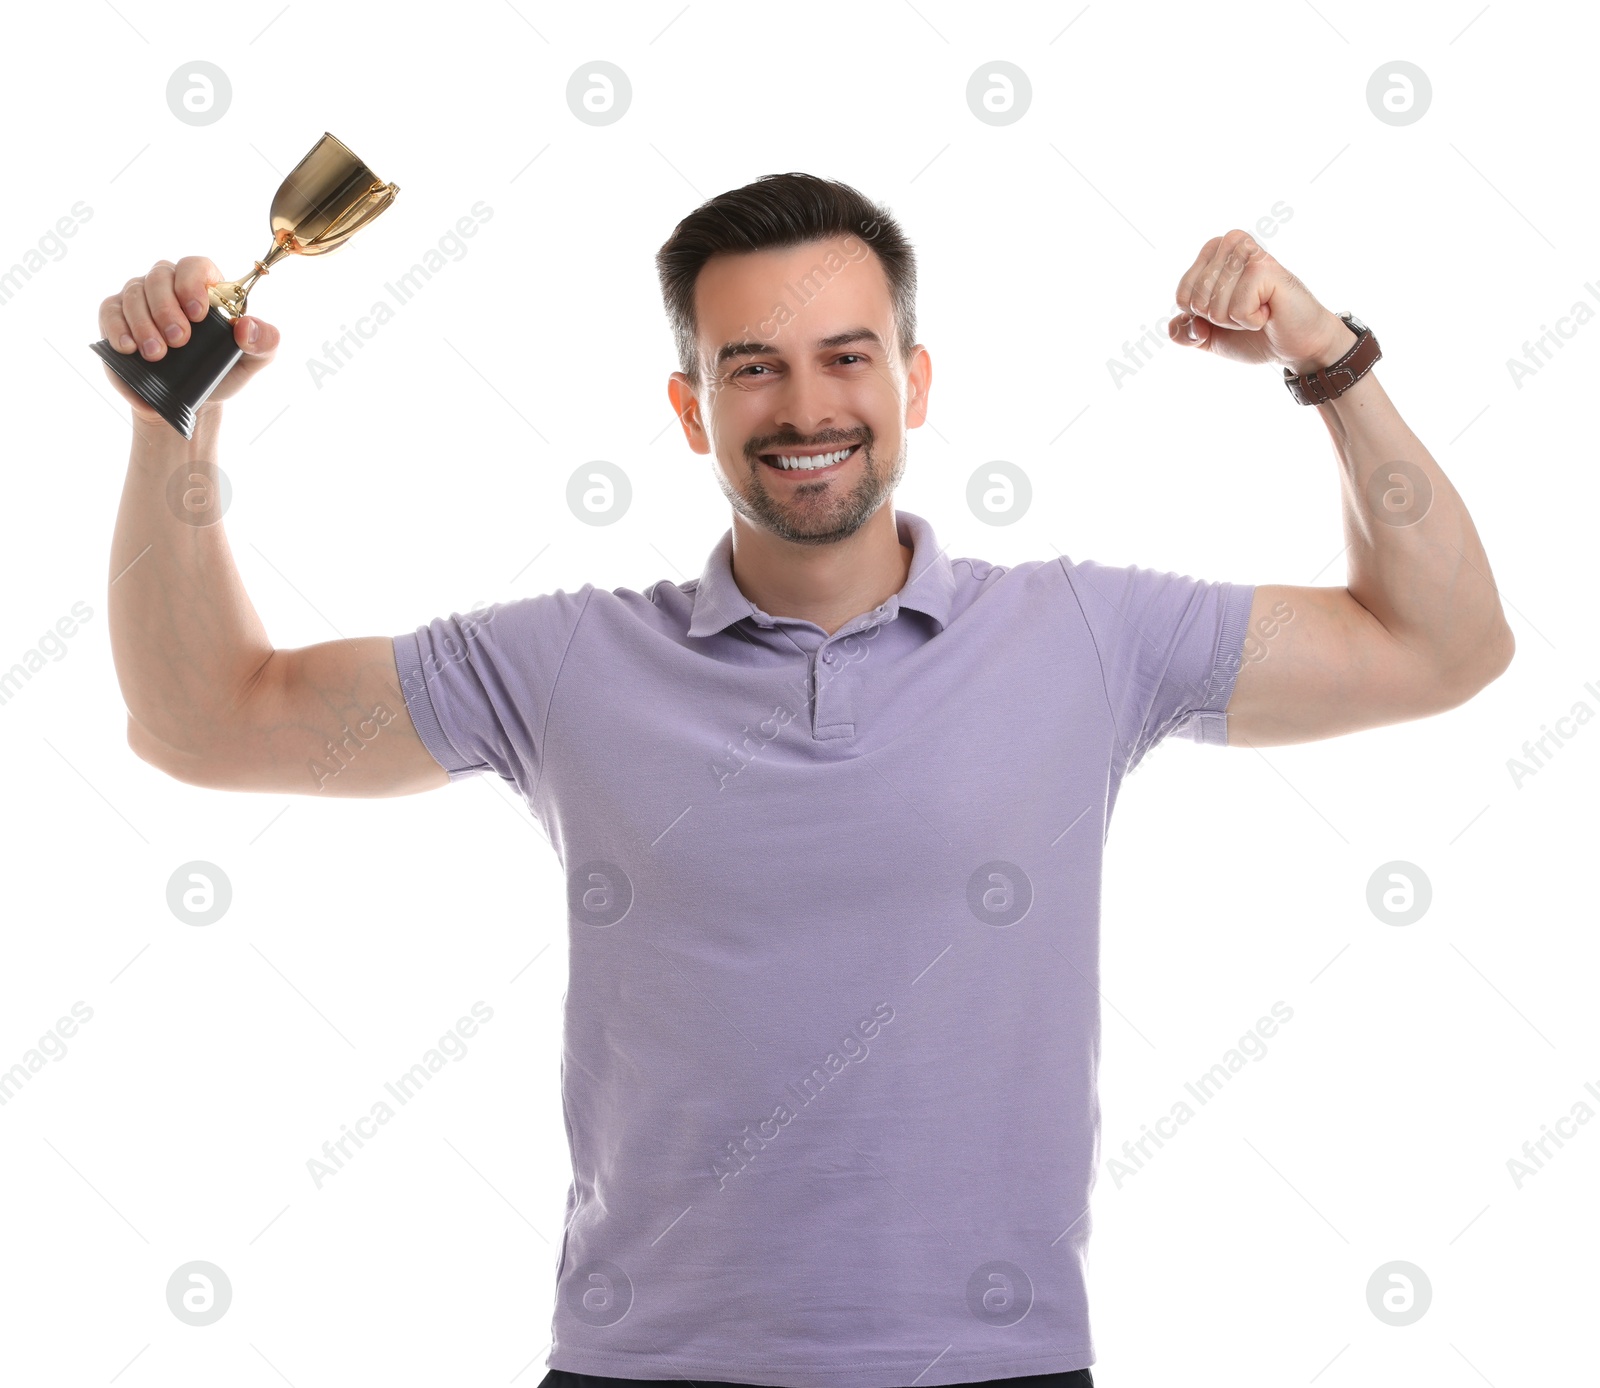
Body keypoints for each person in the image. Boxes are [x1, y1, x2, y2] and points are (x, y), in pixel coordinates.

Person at [101, 172, 1513, 1388]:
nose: (805, 405)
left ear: (915, 382)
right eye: (751, 366)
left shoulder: (1091, 636)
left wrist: (1327, 358)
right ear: (689, 406)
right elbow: (208, 723)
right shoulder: (565, 662)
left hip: (997, 1366)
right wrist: (179, 425)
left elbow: (1442, 646)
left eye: (848, 357)